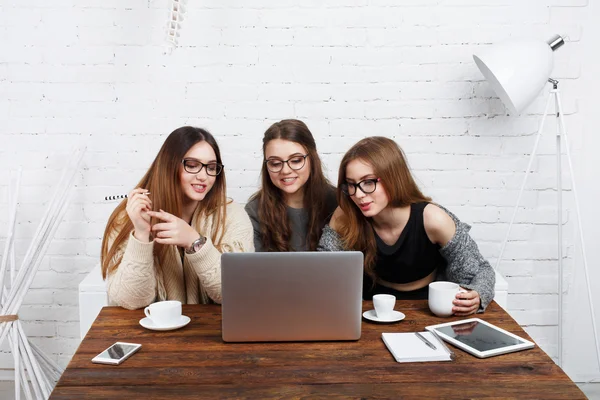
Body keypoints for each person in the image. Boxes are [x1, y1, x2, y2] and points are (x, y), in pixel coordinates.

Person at [318, 136, 495, 315]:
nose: (359, 194)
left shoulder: (433, 219)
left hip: (425, 309)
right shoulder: (346, 215)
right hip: (369, 309)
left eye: (368, 182)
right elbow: (323, 267)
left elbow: (480, 269)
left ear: (393, 178)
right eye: (351, 185)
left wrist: (478, 294)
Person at [100, 126, 254, 310]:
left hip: (212, 332)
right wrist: (141, 234)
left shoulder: (232, 215)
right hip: (151, 334)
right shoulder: (129, 217)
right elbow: (131, 301)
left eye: (211, 167)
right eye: (192, 165)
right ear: (169, 165)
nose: (204, 176)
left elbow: (238, 292)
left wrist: (195, 242)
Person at [245, 119, 337, 252]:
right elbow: (252, 269)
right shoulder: (255, 210)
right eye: (275, 163)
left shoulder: (339, 203)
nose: (285, 170)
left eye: (295, 160)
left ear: (312, 158)